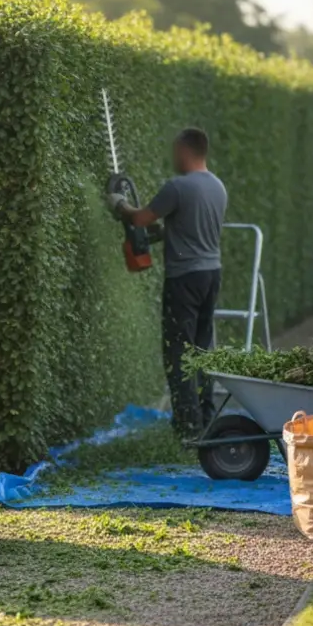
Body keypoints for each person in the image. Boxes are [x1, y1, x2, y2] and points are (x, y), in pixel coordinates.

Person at [107, 127, 227, 441]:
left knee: (178, 351)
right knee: (202, 349)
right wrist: (166, 232)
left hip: (184, 278)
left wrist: (119, 204)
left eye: (176, 151)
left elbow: (140, 218)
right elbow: (190, 226)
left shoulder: (177, 187)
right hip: (211, 274)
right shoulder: (218, 186)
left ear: (186, 152)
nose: (173, 157)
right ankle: (205, 419)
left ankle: (187, 430)